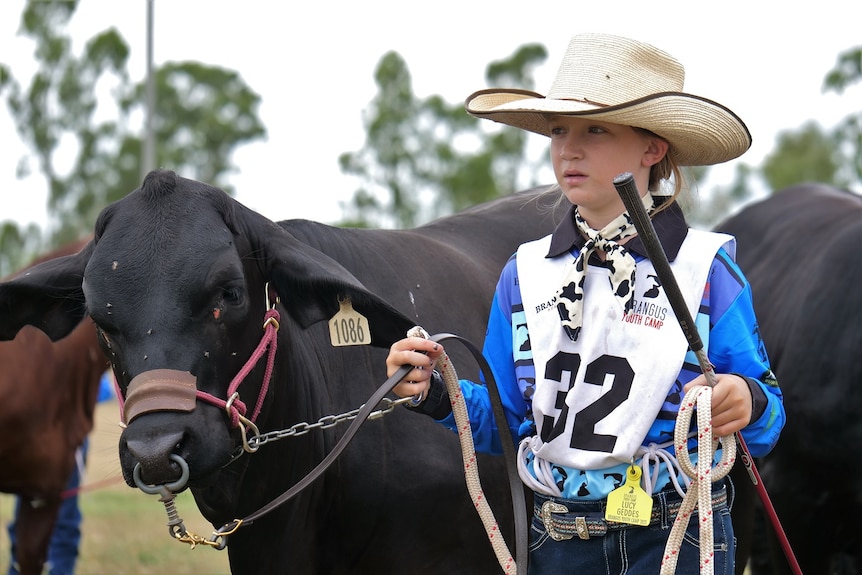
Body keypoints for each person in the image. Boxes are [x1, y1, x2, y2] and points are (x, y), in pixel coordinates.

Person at [385, 32, 785, 574]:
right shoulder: (523, 275)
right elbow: (508, 420)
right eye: (558, 131)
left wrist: (747, 401)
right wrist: (434, 392)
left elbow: (769, 414)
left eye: (595, 129)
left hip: (677, 534)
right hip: (558, 541)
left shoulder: (705, 269)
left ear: (652, 147)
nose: (569, 149)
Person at [7, 371, 115, 575]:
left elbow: (99, 391)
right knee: (29, 515)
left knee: (62, 518)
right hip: (34, 435)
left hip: (66, 436)